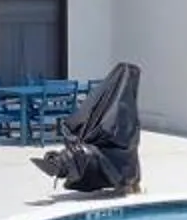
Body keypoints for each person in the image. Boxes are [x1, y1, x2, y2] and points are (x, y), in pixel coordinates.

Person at [32, 61, 141, 194]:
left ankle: (59, 165)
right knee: (83, 149)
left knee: (85, 152)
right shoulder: (117, 103)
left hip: (114, 155)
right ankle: (58, 163)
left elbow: (116, 131)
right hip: (112, 152)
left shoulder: (121, 105)